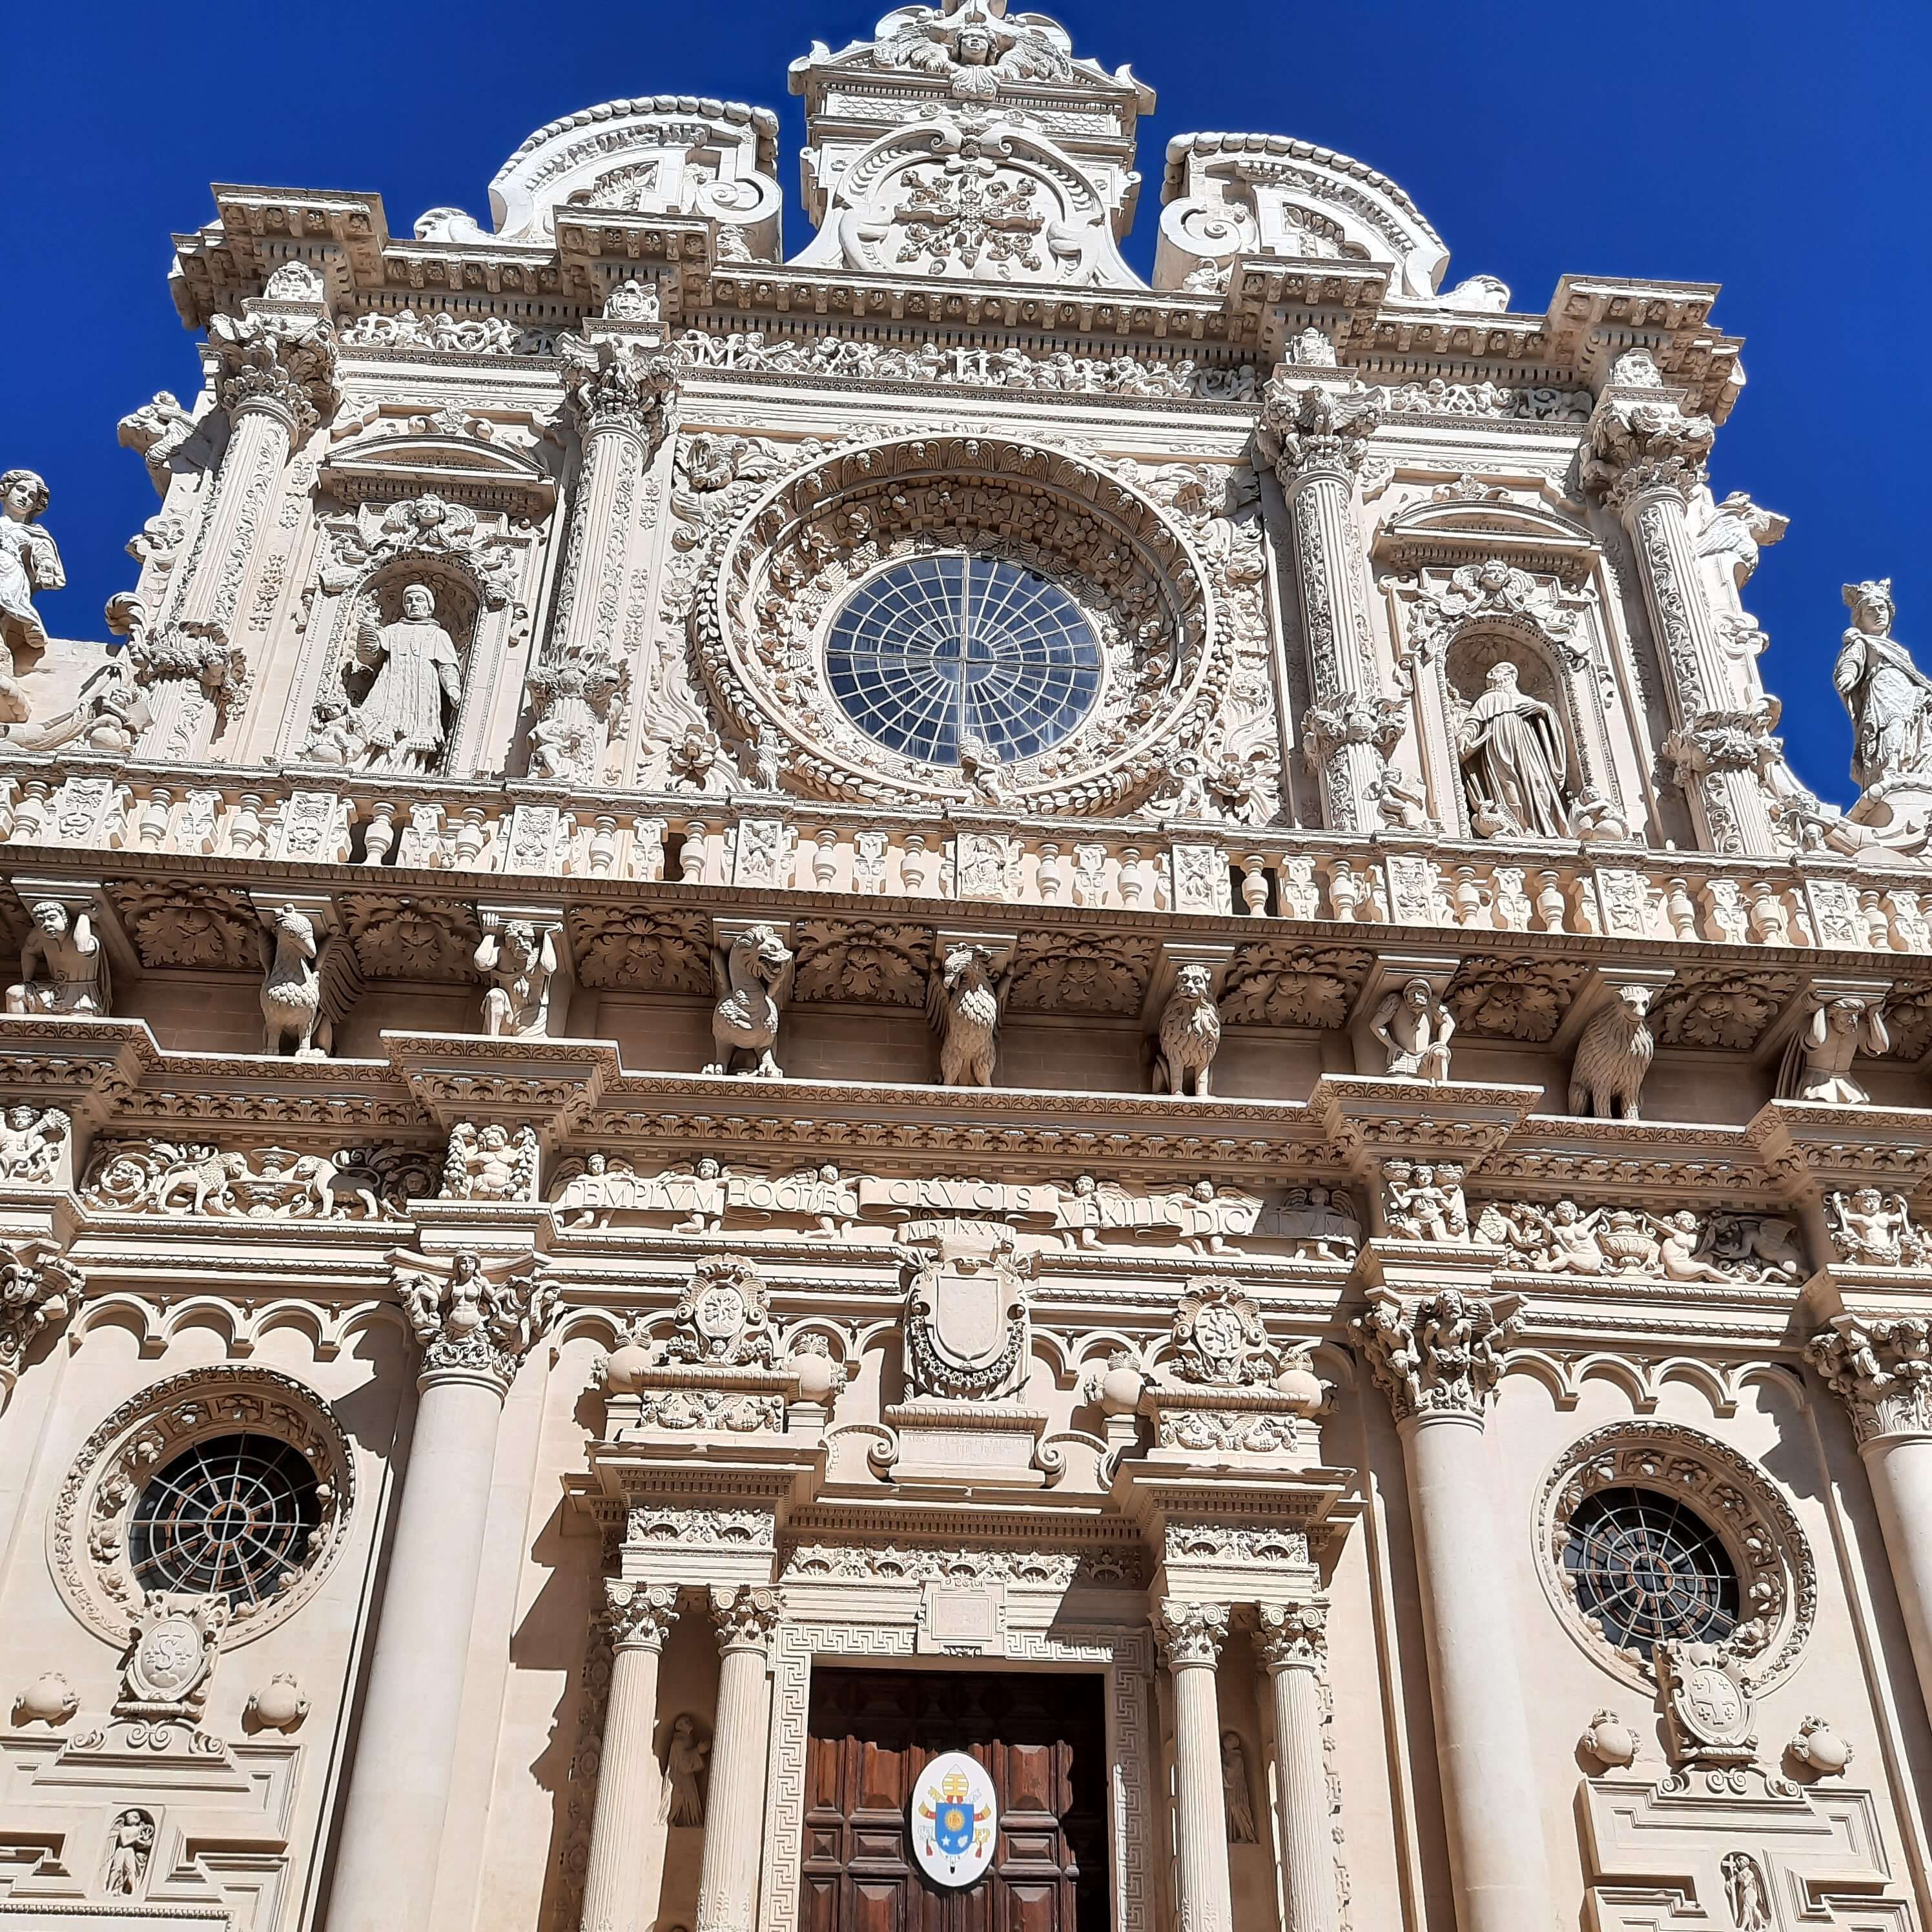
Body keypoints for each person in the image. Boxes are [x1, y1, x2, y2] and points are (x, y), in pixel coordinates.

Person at [353, 582, 462, 774]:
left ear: (429, 608)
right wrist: (368, 631)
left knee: (415, 729)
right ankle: (369, 764)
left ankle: (409, 768)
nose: (413, 604)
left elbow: (447, 665)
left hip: (422, 691)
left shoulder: (438, 634)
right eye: (409, 601)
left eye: (419, 600)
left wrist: (452, 687)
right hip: (389, 686)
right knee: (378, 722)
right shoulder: (392, 631)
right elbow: (369, 656)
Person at [1834, 579, 1932, 792]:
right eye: (1870, 610)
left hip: (1909, 694)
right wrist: (1847, 675)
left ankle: (1913, 771)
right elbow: (1851, 661)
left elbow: (1912, 675)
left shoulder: (1899, 650)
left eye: (1882, 608)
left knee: (1917, 733)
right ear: (1860, 617)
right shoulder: (1863, 641)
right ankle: (1889, 772)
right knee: (1891, 727)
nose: (1878, 613)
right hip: (1883, 689)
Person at [1457, 660, 1570, 837]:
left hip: (1529, 748)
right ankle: (1517, 829)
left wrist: (1543, 710)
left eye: (1512, 674)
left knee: (1540, 782)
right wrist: (1464, 737)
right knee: (1508, 786)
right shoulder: (1487, 700)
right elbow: (1472, 723)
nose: (1509, 676)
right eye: (1504, 672)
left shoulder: (1529, 702)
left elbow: (1552, 728)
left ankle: (1543, 828)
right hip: (1499, 747)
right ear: (1492, 676)